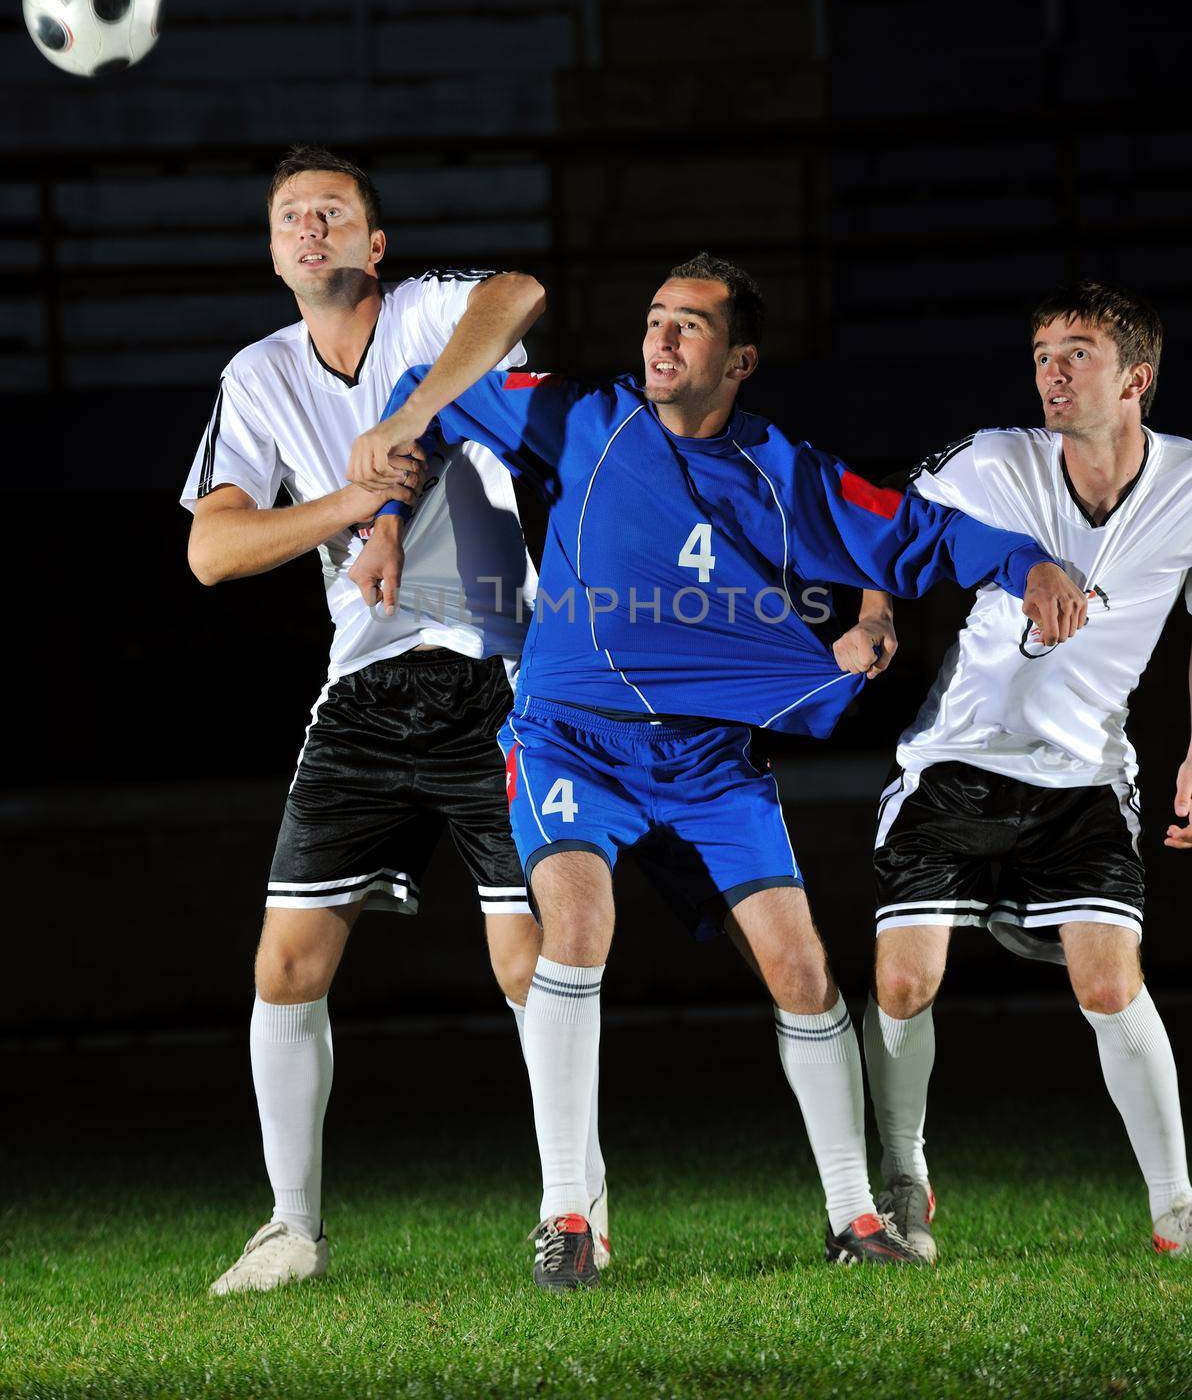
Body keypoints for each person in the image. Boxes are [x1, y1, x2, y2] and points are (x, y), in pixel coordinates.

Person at [347, 251, 1087, 1286]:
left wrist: (1026, 561)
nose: (660, 338)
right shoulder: (577, 420)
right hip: (571, 736)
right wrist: (384, 513)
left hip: (706, 757)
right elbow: (418, 404)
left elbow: (913, 535)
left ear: (737, 360)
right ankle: (570, 1214)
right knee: (577, 924)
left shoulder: (784, 476)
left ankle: (853, 1216)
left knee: (799, 967)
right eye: (653, 318)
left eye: (688, 325)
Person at [182, 144, 607, 1295]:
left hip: (497, 674)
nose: (309, 228)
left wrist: (406, 421)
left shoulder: (424, 314)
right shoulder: (257, 375)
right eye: (288, 216)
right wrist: (356, 498)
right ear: (274, 252)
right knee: (286, 962)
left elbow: (518, 296)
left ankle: (575, 1207)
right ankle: (292, 1228)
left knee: (527, 958)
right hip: (362, 688)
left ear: (375, 245)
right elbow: (213, 550)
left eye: (332, 212)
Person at [859, 281, 1192, 1263]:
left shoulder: (1183, 486)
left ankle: (1175, 1206)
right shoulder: (995, 458)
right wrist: (875, 614)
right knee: (905, 985)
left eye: (1077, 351)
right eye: (1043, 350)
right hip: (954, 762)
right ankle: (906, 1182)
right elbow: (888, 520)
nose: (1052, 367)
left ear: (1135, 378)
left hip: (1084, 771)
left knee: (1105, 982)